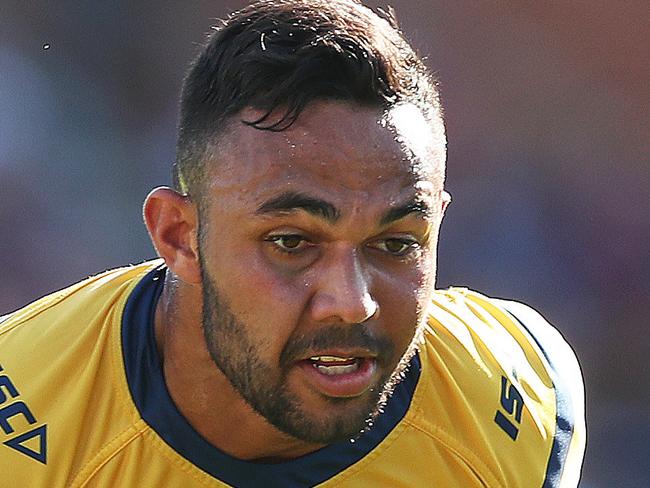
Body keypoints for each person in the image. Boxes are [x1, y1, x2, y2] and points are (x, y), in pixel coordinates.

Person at [0, 0, 585, 486]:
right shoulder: (25, 428)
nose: (352, 302)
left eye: (398, 242)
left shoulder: (515, 405)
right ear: (179, 238)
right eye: (290, 242)